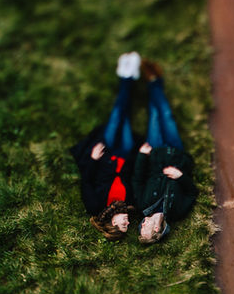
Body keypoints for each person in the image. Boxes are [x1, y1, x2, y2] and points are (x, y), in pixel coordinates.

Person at [69, 52, 144, 240]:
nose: (128, 222)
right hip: (125, 155)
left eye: (123, 225)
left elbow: (87, 181)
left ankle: (126, 76)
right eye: (128, 225)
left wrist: (93, 159)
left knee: (118, 115)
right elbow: (136, 177)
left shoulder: (95, 205)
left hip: (105, 155)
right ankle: (128, 76)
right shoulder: (131, 204)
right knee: (124, 119)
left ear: (112, 224)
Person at [131, 65, 197, 244]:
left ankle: (152, 82)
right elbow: (191, 193)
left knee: (154, 116)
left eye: (141, 225)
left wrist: (142, 155)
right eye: (144, 228)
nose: (141, 223)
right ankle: (154, 80)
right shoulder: (177, 211)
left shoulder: (143, 205)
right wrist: (180, 176)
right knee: (166, 116)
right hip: (175, 153)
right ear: (157, 229)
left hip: (156, 153)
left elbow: (137, 179)